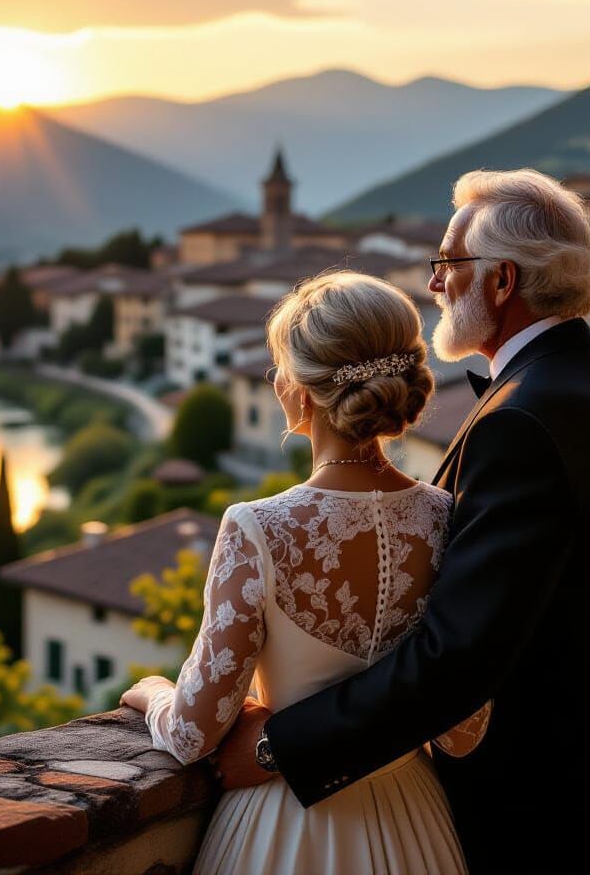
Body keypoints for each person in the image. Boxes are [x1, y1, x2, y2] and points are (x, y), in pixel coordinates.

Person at [212, 168, 590, 875]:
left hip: (556, 820)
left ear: (502, 281)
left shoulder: (523, 424)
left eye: (448, 264)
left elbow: (456, 660)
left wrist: (280, 746)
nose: (436, 284)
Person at [122, 270, 485, 874]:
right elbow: (463, 732)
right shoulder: (448, 516)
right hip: (414, 823)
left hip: (284, 826)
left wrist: (154, 693)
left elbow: (192, 734)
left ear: (300, 389)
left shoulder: (257, 526)